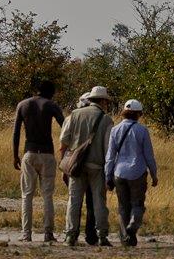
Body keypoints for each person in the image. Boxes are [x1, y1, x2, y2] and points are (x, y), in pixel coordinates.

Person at [60, 86, 114, 246]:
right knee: (99, 201)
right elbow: (108, 148)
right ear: (103, 101)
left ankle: (70, 235)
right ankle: (102, 235)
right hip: (97, 166)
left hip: (77, 164)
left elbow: (64, 140)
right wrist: (108, 171)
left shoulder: (74, 115)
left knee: (74, 200)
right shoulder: (106, 120)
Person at [12, 79, 65, 242]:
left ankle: (26, 234)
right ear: (51, 92)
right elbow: (65, 127)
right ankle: (48, 233)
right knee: (47, 195)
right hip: (47, 153)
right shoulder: (51, 105)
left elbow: (16, 133)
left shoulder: (23, 105)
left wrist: (15, 155)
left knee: (27, 194)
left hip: (30, 152)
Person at [105, 99, 159, 247]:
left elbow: (110, 156)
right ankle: (134, 224)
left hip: (119, 173)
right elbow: (149, 155)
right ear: (138, 114)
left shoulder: (115, 130)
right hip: (138, 172)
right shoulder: (142, 130)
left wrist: (108, 176)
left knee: (122, 206)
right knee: (137, 203)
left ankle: (126, 239)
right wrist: (154, 174)